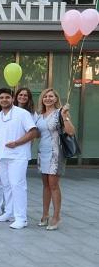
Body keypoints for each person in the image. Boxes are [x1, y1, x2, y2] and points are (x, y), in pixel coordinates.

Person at [0, 88, 38, 229]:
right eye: (1, 98)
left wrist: (17, 143)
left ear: (12, 98)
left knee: (18, 186)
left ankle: (21, 218)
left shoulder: (22, 114)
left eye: (7, 97)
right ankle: (9, 212)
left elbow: (33, 132)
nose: (4, 100)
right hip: (2, 157)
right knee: (7, 186)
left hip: (18, 156)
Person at [35, 88, 75, 231]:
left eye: (51, 96)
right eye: (45, 96)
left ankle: (56, 216)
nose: (48, 98)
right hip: (42, 152)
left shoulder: (60, 113)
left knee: (53, 185)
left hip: (56, 152)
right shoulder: (39, 115)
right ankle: (45, 214)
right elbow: (37, 133)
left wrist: (65, 116)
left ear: (56, 99)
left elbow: (71, 131)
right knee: (45, 185)